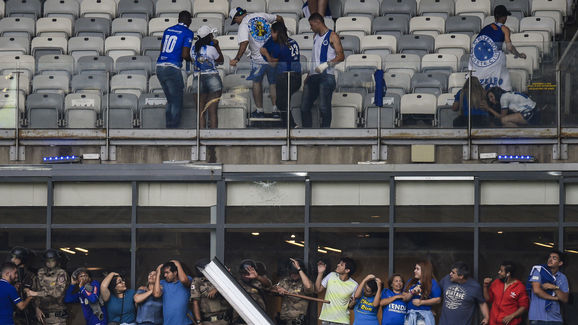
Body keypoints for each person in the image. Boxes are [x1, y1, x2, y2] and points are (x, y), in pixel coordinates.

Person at [229, 7, 284, 118]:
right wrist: (283, 35)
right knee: (273, 84)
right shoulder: (261, 15)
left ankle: (259, 111)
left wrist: (237, 59)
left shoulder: (243, 25)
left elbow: (244, 43)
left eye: (235, 21)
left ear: (237, 17)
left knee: (256, 83)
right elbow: (279, 18)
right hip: (273, 57)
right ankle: (275, 110)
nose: (236, 23)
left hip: (258, 60)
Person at [300, 13, 344, 128]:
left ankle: (325, 133)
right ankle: (307, 134)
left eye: (311, 25)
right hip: (313, 76)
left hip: (326, 75)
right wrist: (309, 75)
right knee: (304, 106)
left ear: (318, 22)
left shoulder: (332, 35)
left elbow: (341, 56)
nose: (310, 28)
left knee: (324, 107)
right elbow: (315, 57)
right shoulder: (315, 37)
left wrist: (325, 65)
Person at [469, 5, 526, 91]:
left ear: (495, 16)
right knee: (500, 82)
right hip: (492, 63)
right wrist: (518, 54)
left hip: (476, 61)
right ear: (504, 17)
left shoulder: (485, 28)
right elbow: (509, 47)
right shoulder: (505, 29)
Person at [156, 10, 194, 128]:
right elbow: (185, 54)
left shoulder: (168, 30)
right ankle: (173, 130)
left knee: (170, 100)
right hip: (172, 68)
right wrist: (192, 60)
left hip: (160, 66)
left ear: (178, 19)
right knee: (177, 100)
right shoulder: (188, 32)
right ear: (189, 21)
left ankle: (168, 127)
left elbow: (162, 48)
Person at [260, 21, 302, 125]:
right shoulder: (293, 42)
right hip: (297, 76)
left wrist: (265, 53)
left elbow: (273, 64)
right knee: (284, 102)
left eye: (272, 32)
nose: (271, 35)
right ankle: (289, 126)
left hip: (286, 77)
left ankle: (291, 126)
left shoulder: (278, 46)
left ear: (277, 32)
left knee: (281, 102)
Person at [191, 25, 224, 129]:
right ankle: (212, 140)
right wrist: (217, 45)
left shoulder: (193, 49)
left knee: (200, 112)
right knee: (212, 112)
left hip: (198, 78)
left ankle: (201, 140)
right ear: (209, 36)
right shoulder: (211, 49)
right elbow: (221, 60)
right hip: (212, 78)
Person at [528, 251, 569, 325]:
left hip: (555, 319)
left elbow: (565, 298)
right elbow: (537, 291)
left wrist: (554, 287)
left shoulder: (562, 277)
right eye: (549, 257)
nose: (550, 259)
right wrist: (556, 298)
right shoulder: (539, 271)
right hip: (538, 317)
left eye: (554, 258)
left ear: (560, 263)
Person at [315, 257, 358, 325]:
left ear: (347, 270)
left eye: (341, 264)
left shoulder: (354, 285)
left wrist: (353, 303)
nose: (338, 265)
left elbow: (350, 306)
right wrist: (320, 273)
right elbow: (318, 289)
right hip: (326, 318)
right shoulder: (331, 275)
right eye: (339, 263)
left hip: (342, 321)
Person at [272, 258, 314, 325]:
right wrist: (278, 288)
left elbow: (308, 287)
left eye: (296, 273)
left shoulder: (305, 282)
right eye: (291, 272)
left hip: (297, 321)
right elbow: (273, 288)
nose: (293, 274)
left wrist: (299, 269)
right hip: (284, 320)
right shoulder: (286, 280)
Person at [191, 259, 232, 325]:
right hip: (209, 321)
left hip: (224, 320)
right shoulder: (198, 281)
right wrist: (199, 321)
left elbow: (233, 290)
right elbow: (195, 302)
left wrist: (218, 288)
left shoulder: (220, 279)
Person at [34, 249, 69, 325]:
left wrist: (36, 293)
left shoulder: (61, 273)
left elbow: (57, 293)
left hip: (57, 316)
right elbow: (37, 289)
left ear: (56, 261)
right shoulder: (41, 272)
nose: (49, 263)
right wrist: (37, 307)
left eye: (52, 260)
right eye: (47, 261)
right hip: (42, 314)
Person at [153, 260, 192, 325]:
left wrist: (178, 265)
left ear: (175, 273)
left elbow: (184, 280)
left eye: (167, 273)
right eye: (164, 273)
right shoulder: (163, 283)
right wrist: (158, 274)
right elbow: (156, 294)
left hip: (186, 323)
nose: (165, 275)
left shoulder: (187, 279)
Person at [8, 246, 38, 325]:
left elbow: (36, 296)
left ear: (22, 259)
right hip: (12, 313)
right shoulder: (8, 275)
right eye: (12, 257)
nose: (12, 260)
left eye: (15, 258)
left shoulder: (31, 276)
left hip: (28, 314)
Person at [404, 260, 441, 325]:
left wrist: (421, 302)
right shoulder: (411, 281)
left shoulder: (432, 283)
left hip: (424, 315)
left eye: (417, 269)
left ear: (424, 271)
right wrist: (412, 292)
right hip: (410, 315)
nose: (414, 271)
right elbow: (404, 297)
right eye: (415, 268)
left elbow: (438, 300)